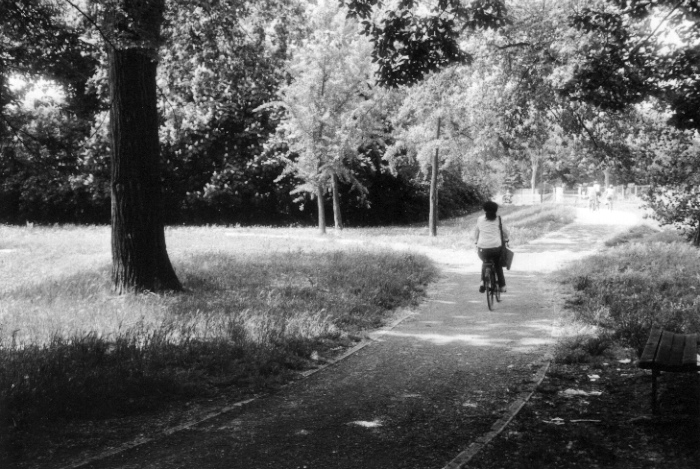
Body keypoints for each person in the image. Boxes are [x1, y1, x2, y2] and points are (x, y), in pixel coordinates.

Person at [474, 201, 509, 293]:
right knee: (497, 265)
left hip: (482, 249)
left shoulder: (480, 219)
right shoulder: (499, 219)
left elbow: (476, 233)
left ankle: (482, 282)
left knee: (485, 262)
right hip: (496, 249)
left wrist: (476, 242)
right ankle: (502, 286)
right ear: (496, 210)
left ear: (484, 210)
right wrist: (507, 239)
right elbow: (505, 232)